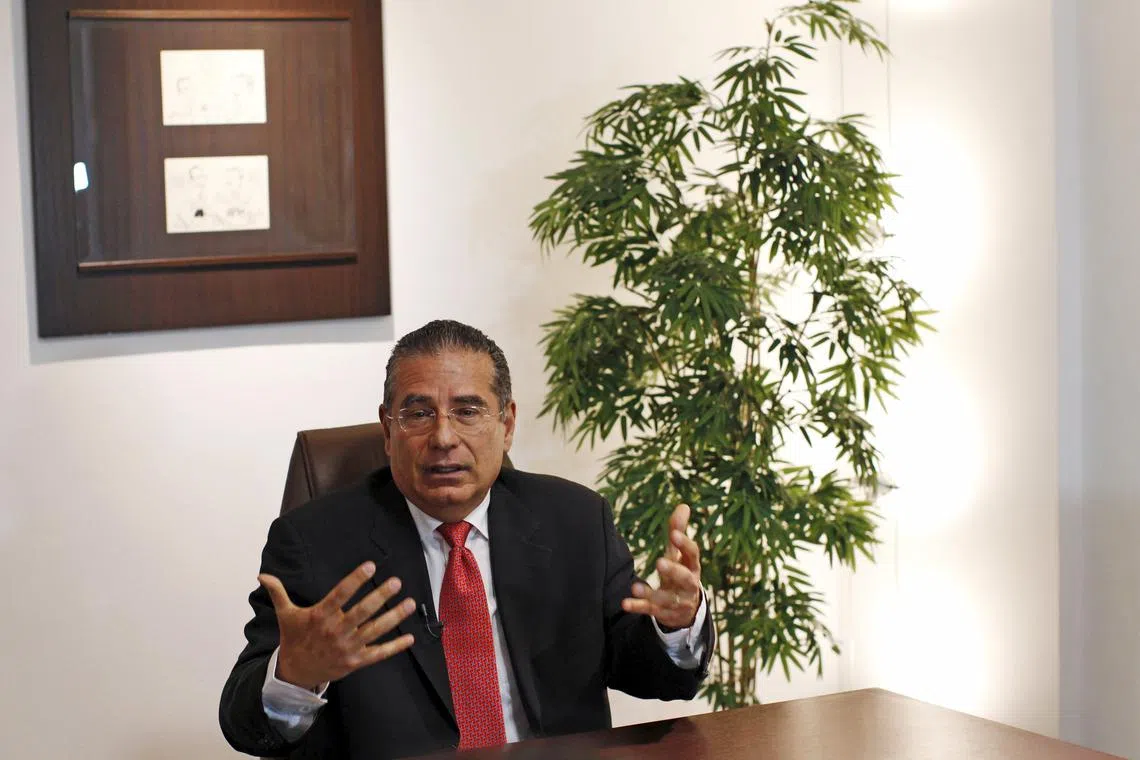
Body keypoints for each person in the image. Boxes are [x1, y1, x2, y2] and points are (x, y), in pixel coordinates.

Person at [219, 320, 713, 759]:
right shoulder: (314, 544)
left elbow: (651, 675)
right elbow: (245, 726)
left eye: (468, 411)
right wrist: (294, 675)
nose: (443, 437)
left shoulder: (576, 521)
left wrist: (677, 626)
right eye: (418, 414)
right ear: (387, 431)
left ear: (507, 424)